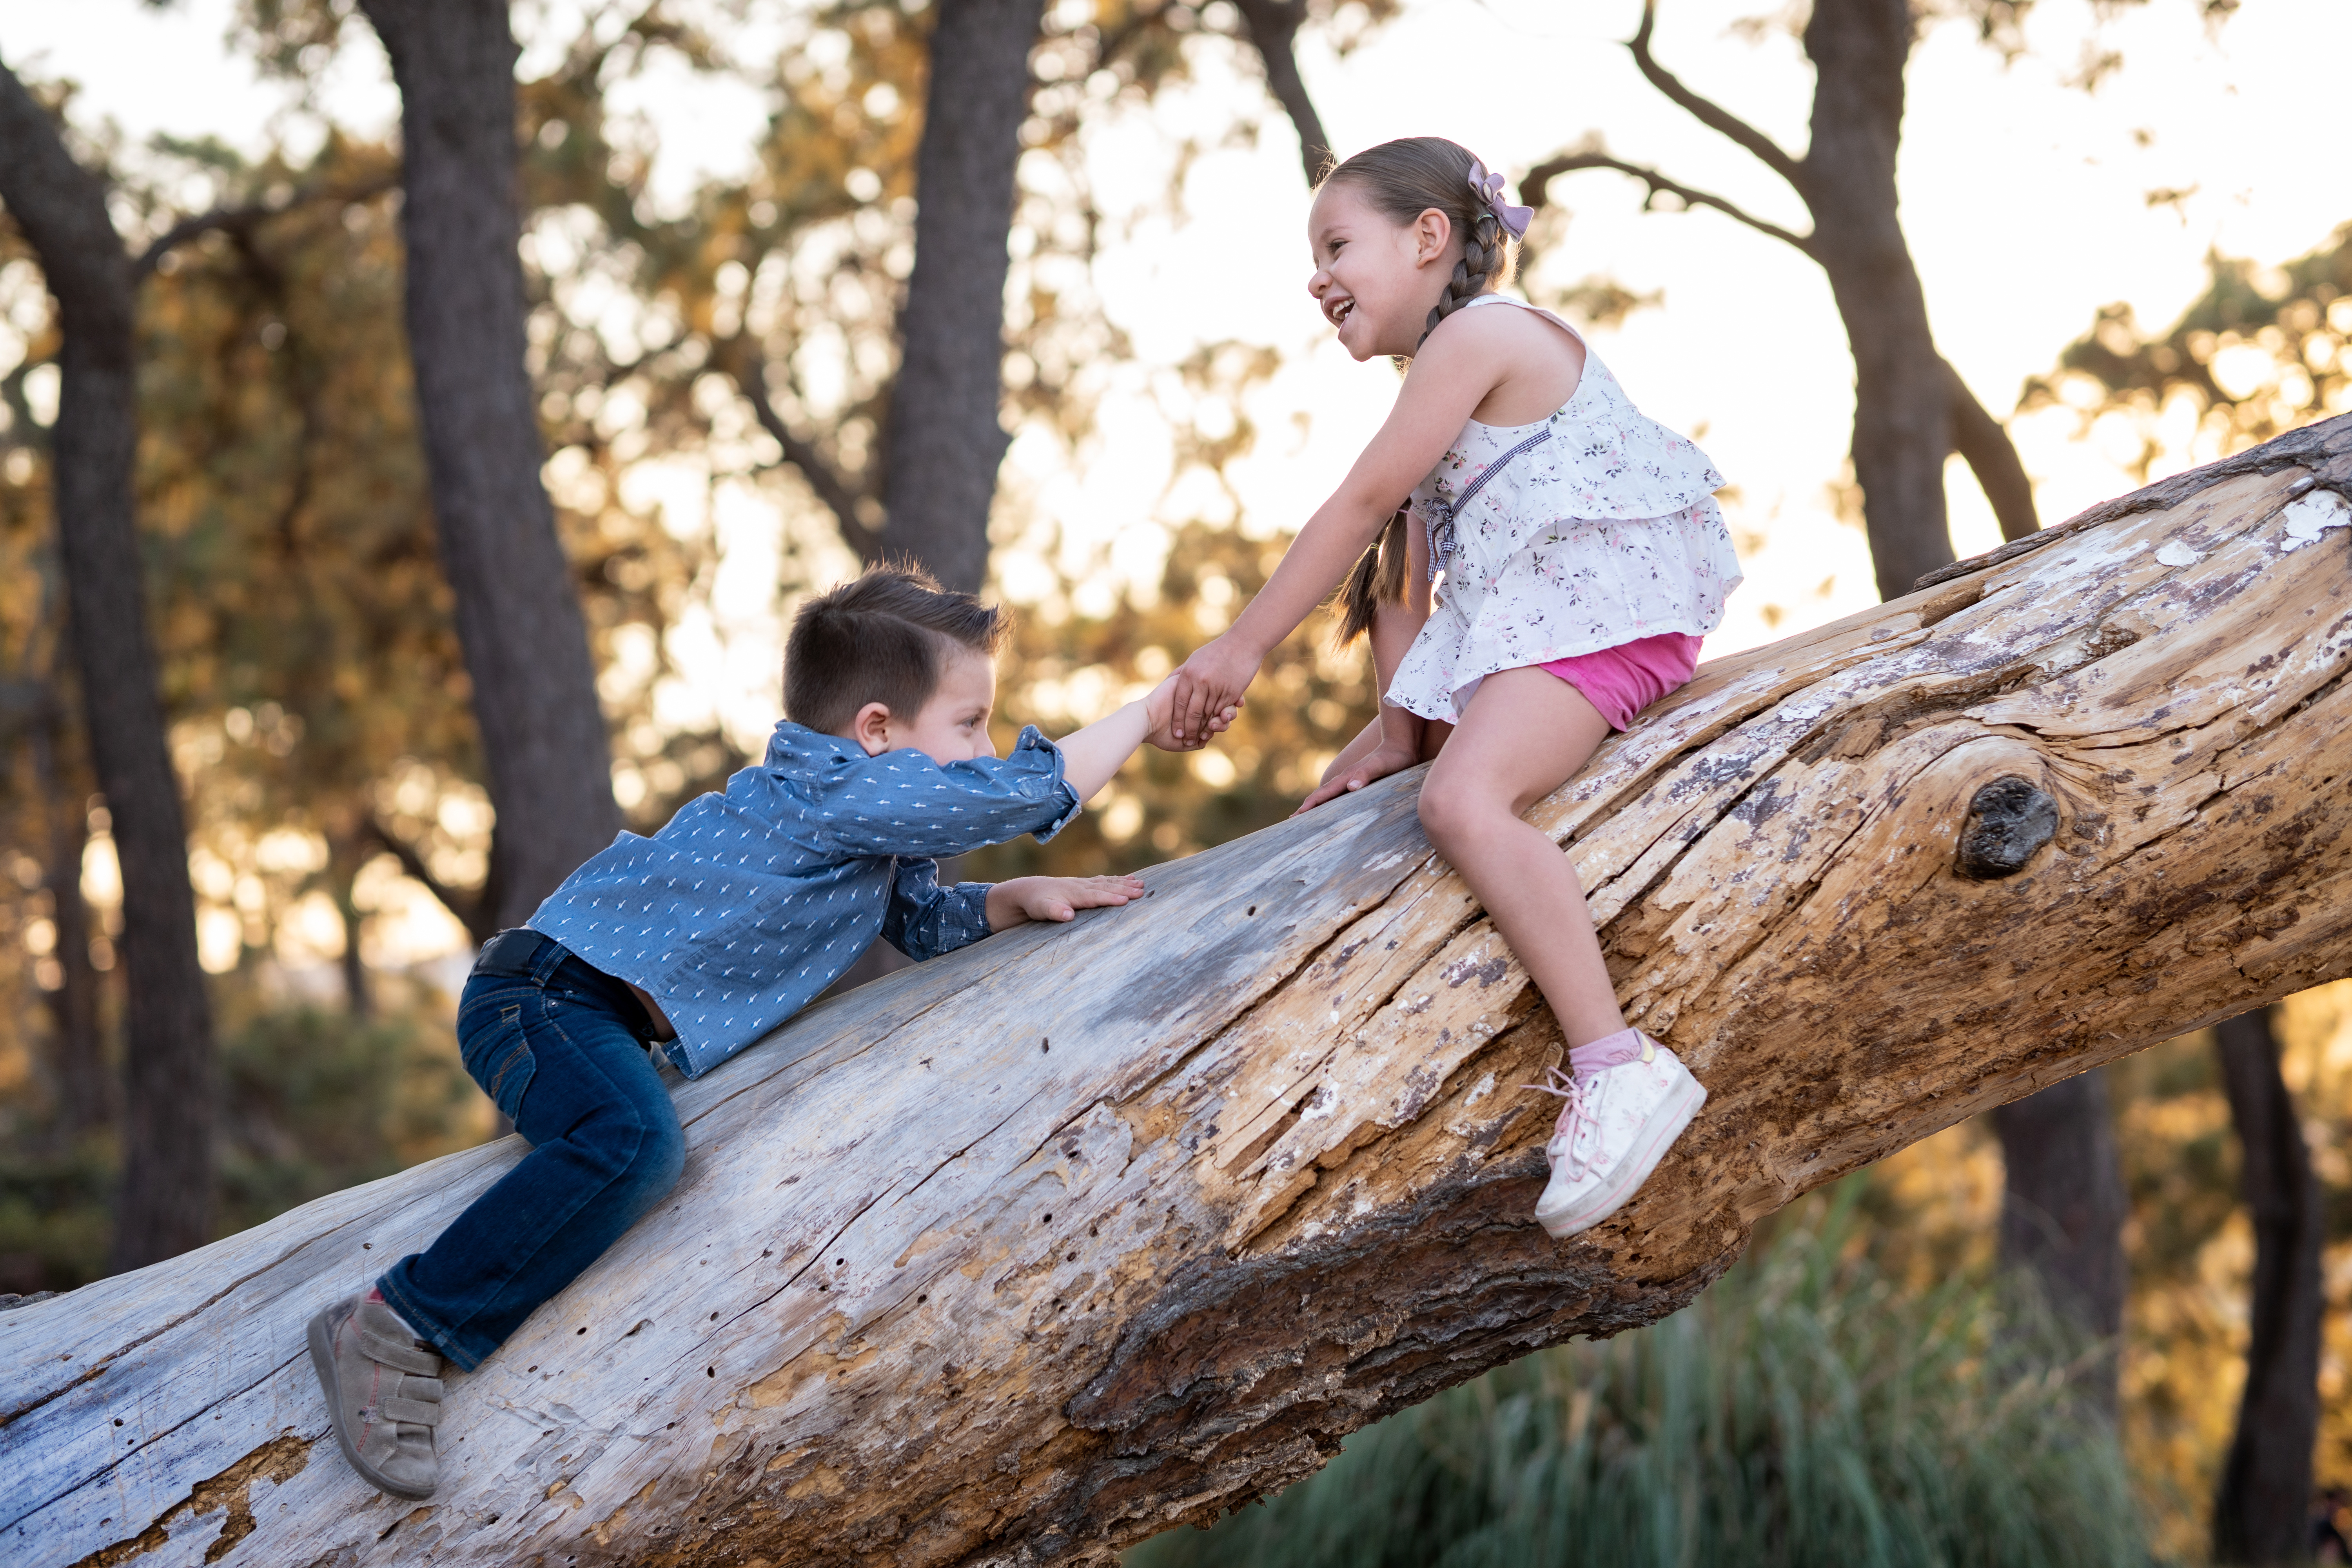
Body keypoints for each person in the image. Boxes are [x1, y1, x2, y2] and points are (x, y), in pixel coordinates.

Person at [307, 565, 1221, 1501]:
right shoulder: (834, 790)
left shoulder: (855, 816)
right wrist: (1150, 714)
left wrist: (1011, 899)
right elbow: (1017, 797)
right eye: (970, 723)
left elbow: (915, 921)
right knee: (632, 1144)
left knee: (619, 1153)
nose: (985, 747)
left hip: (576, 1009)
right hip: (546, 995)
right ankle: (396, 1327)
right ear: (876, 730)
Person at [1168, 136, 1741, 1242]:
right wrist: (1393, 731)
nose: (1317, 275)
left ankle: (1616, 1063)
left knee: (1462, 805)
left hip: (1604, 620)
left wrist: (1238, 650)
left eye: (1338, 244)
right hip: (1564, 628)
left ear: (1429, 238)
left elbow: (1356, 507)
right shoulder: (1443, 377)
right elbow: (1405, 579)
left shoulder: (1484, 333)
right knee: (1424, 783)